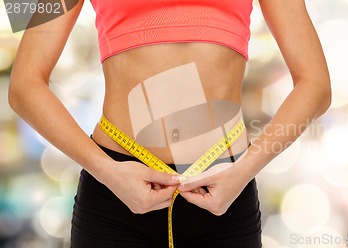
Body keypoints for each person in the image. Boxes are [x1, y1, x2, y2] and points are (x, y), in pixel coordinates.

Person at [8, 0, 331, 247]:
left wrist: (246, 169)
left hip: (226, 191)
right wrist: (106, 170)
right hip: (115, 193)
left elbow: (316, 85)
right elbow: (24, 85)